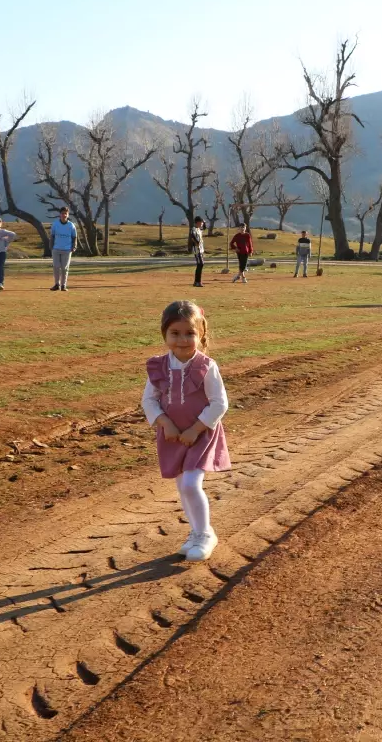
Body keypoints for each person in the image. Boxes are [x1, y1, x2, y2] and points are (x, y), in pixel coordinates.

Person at [141, 301, 231, 563]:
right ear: (165, 335)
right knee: (183, 487)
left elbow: (219, 403)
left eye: (189, 333)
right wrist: (164, 423)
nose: (182, 340)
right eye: (175, 333)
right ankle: (195, 532)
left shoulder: (206, 365)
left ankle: (205, 535)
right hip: (172, 436)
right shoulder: (158, 366)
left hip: (200, 434)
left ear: (201, 334)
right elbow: (149, 400)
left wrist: (195, 429)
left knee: (192, 484)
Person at [50, 207, 79, 292]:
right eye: (62, 213)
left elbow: (74, 237)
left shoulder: (71, 225)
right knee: (56, 266)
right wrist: (51, 246)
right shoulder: (55, 224)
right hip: (56, 248)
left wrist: (74, 246)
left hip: (66, 249)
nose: (64, 215)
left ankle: (63, 285)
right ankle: (56, 284)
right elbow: (52, 236)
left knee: (64, 268)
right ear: (60, 214)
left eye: (65, 213)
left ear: (68, 215)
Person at [189, 216, 206, 288]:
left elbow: (205, 227)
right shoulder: (193, 229)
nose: (202, 223)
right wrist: (197, 242)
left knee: (201, 264)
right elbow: (192, 236)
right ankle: (197, 281)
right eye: (201, 222)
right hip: (197, 249)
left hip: (201, 249)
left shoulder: (199, 229)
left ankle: (197, 281)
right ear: (197, 222)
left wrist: (204, 223)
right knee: (200, 264)